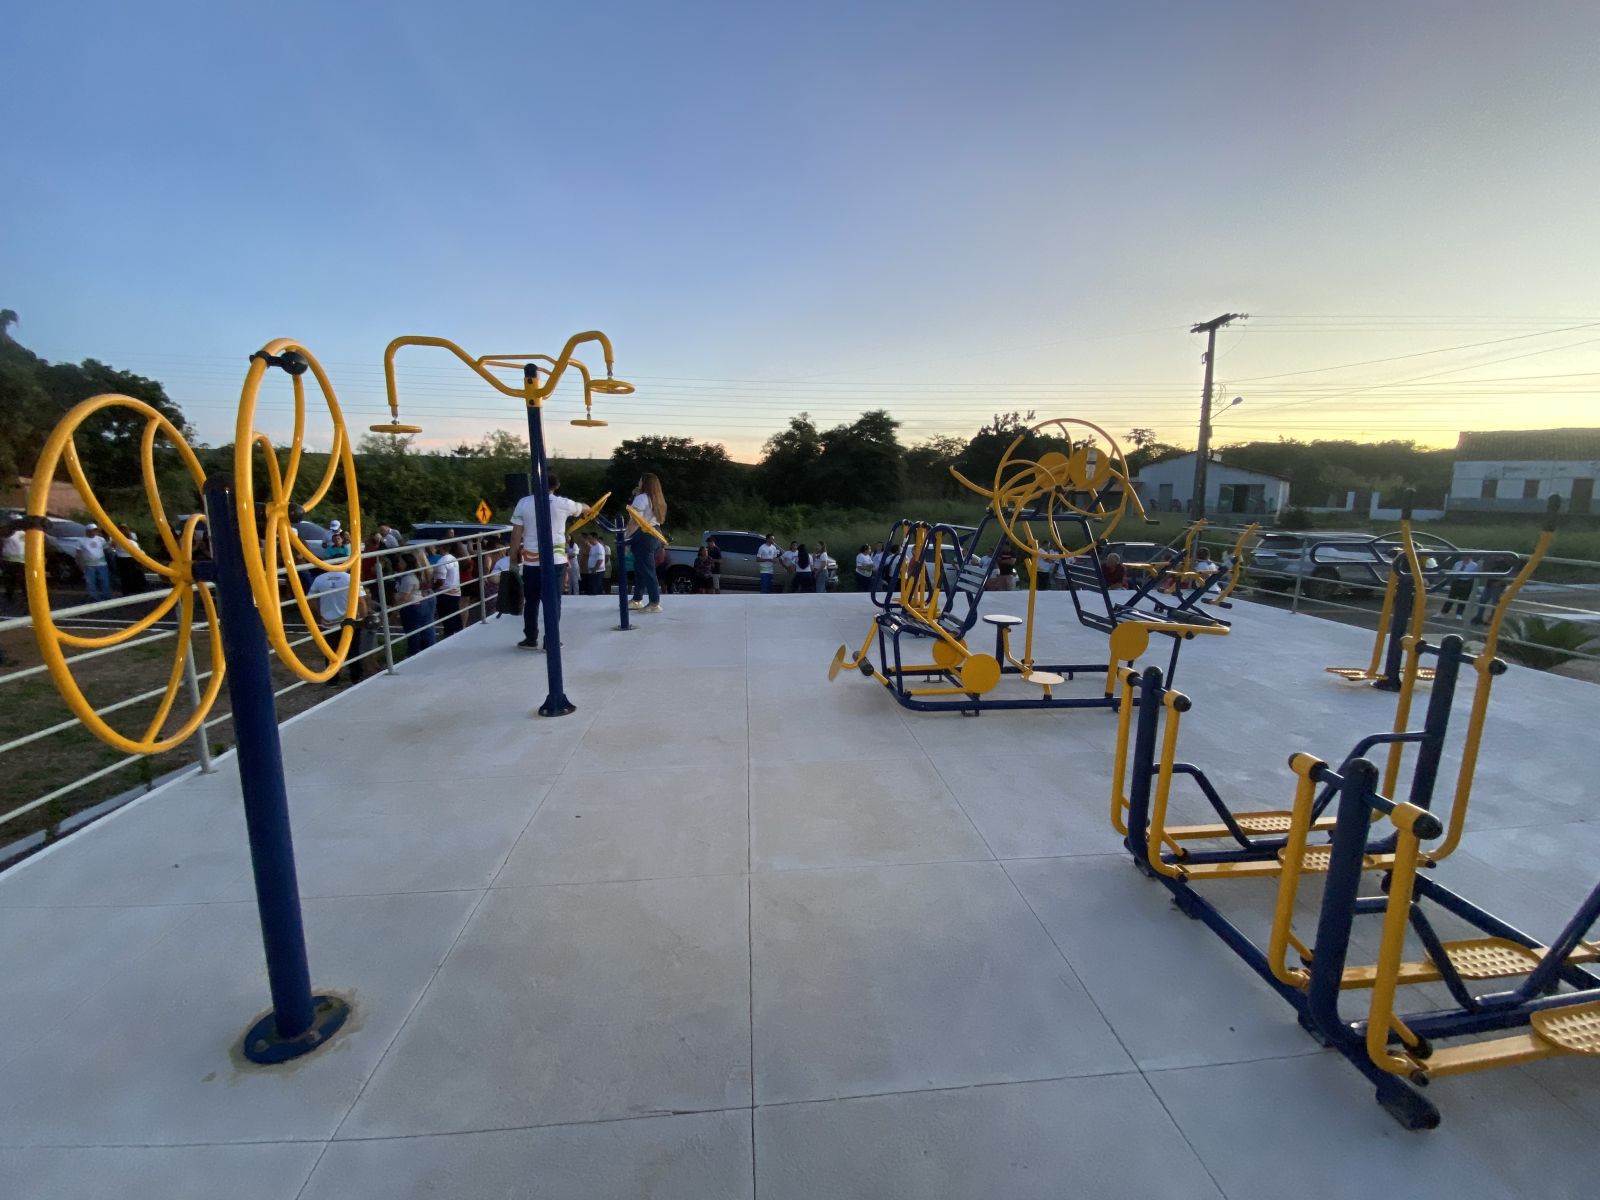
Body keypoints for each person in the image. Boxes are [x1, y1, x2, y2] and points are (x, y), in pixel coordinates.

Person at [510, 473, 590, 647]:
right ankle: (551, 639)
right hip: (555, 560)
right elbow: (584, 508)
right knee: (553, 601)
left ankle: (531, 638)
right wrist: (587, 507)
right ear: (556, 486)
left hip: (531, 560)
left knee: (531, 601)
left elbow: (516, 534)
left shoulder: (523, 503)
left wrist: (512, 558)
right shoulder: (563, 503)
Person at [309, 567, 367, 686]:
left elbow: (311, 600)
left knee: (331, 651)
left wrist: (320, 614)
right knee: (353, 650)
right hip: (351, 620)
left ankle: (332, 679)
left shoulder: (319, 579)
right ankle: (356, 677)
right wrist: (364, 618)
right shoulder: (351, 578)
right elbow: (361, 601)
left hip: (329, 621)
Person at [625, 472, 668, 612]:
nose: (638, 483)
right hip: (655, 534)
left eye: (640, 480)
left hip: (644, 536)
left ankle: (654, 603)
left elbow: (634, 522)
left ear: (644, 483)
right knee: (641, 569)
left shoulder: (641, 498)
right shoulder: (657, 499)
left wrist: (625, 539)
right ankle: (637, 599)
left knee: (647, 571)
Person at [393, 550, 434, 657]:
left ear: (406, 564)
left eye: (400, 562)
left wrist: (395, 612)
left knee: (413, 633)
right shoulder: (412, 575)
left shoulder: (408, 578)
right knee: (421, 631)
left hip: (411, 607)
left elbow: (404, 598)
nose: (398, 563)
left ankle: (413, 653)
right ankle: (421, 651)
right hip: (416, 605)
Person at [432, 541, 462, 636]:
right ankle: (459, 635)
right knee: (455, 618)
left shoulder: (442, 561)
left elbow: (441, 581)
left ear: (441, 547)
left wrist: (433, 588)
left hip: (445, 593)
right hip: (455, 591)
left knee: (447, 620)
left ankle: (450, 637)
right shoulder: (453, 558)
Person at [77, 523, 112, 603]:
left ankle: (106, 596)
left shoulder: (101, 539)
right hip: (89, 565)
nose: (95, 532)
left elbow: (107, 550)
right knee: (90, 582)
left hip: (102, 564)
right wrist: (80, 564)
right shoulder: (81, 540)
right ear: (88, 531)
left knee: (104, 580)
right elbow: (78, 553)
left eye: (95, 530)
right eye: (93, 530)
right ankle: (93, 597)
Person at [114, 526, 146, 595]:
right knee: (134, 576)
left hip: (121, 560)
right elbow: (138, 552)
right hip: (131, 560)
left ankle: (127, 591)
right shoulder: (131, 542)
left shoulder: (117, 542)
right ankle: (136, 590)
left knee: (125, 577)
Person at [2, 524, 24, 607]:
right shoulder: (26, 533)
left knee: (13, 580)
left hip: (13, 561)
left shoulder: (8, 532)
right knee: (14, 580)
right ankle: (10, 596)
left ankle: (10, 596)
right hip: (13, 561)